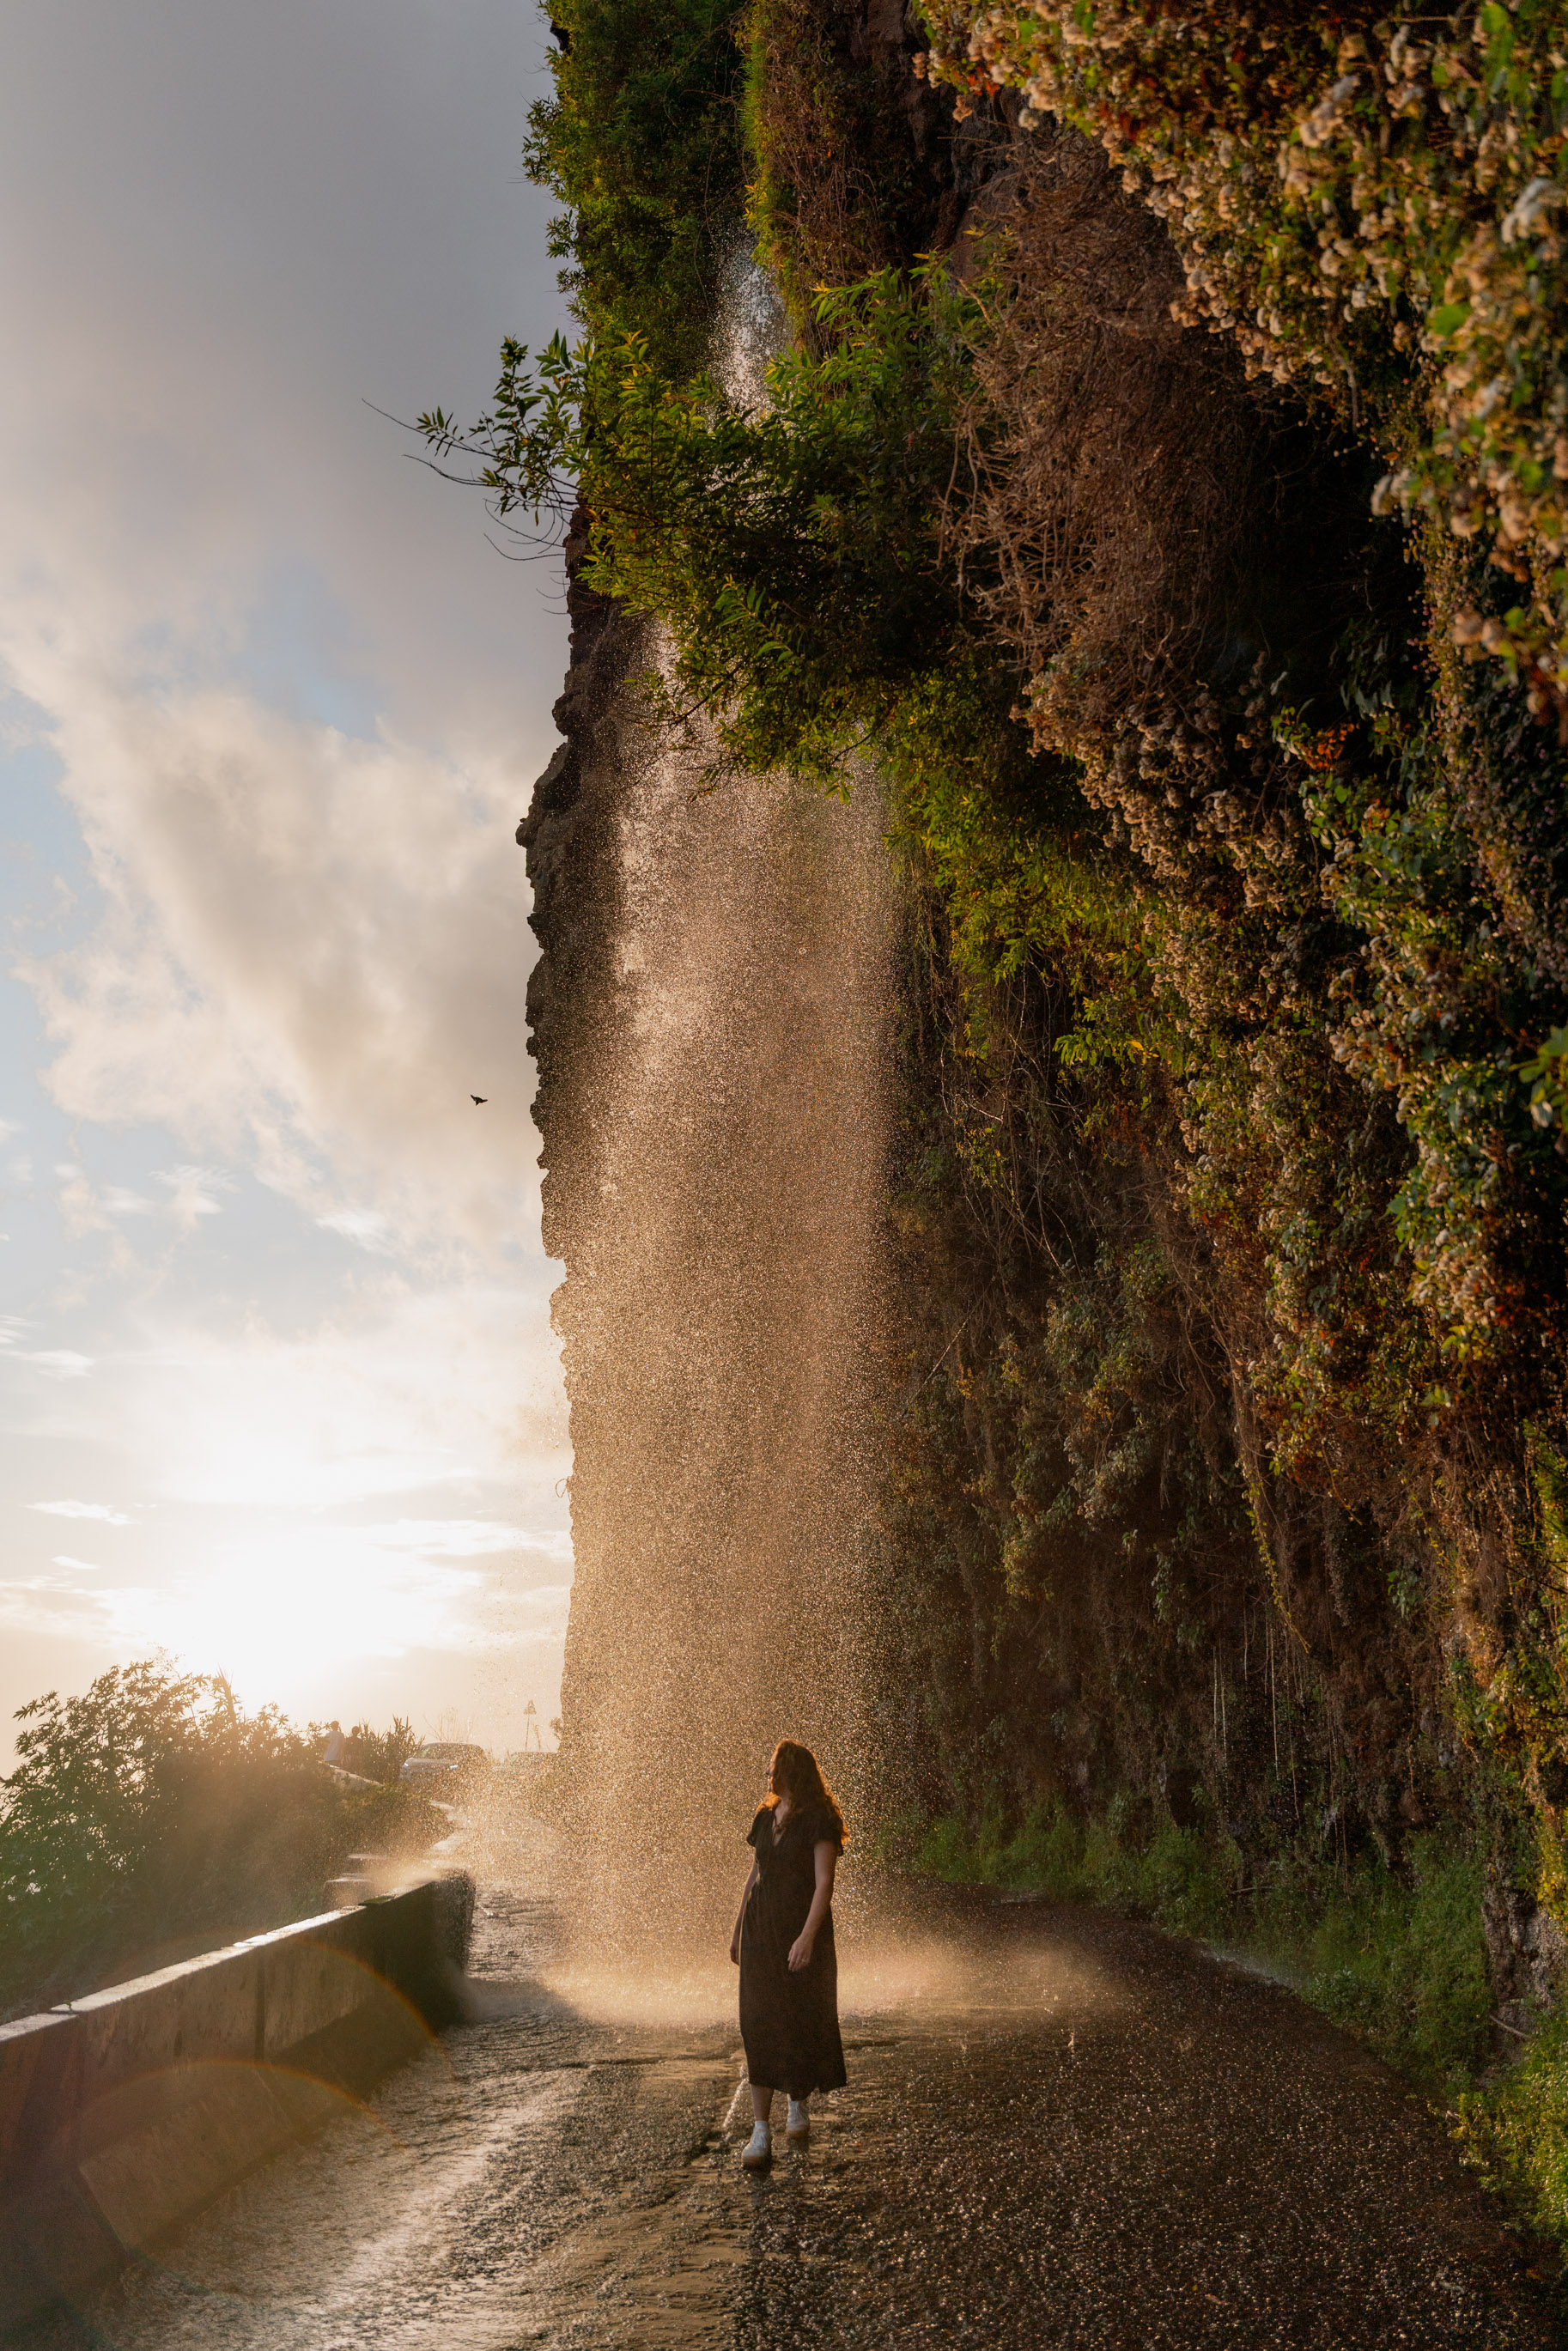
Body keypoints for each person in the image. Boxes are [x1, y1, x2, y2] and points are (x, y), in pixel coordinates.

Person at [729, 1738, 848, 2170]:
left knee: (796, 2017)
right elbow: (754, 1875)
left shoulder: (819, 1820)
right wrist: (737, 1928)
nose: (768, 1774)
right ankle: (761, 2131)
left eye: (773, 1767)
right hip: (761, 1933)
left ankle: (797, 2102)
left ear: (791, 1772)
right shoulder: (764, 1816)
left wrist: (807, 1938)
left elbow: (824, 1884)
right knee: (756, 2021)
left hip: (797, 1934)